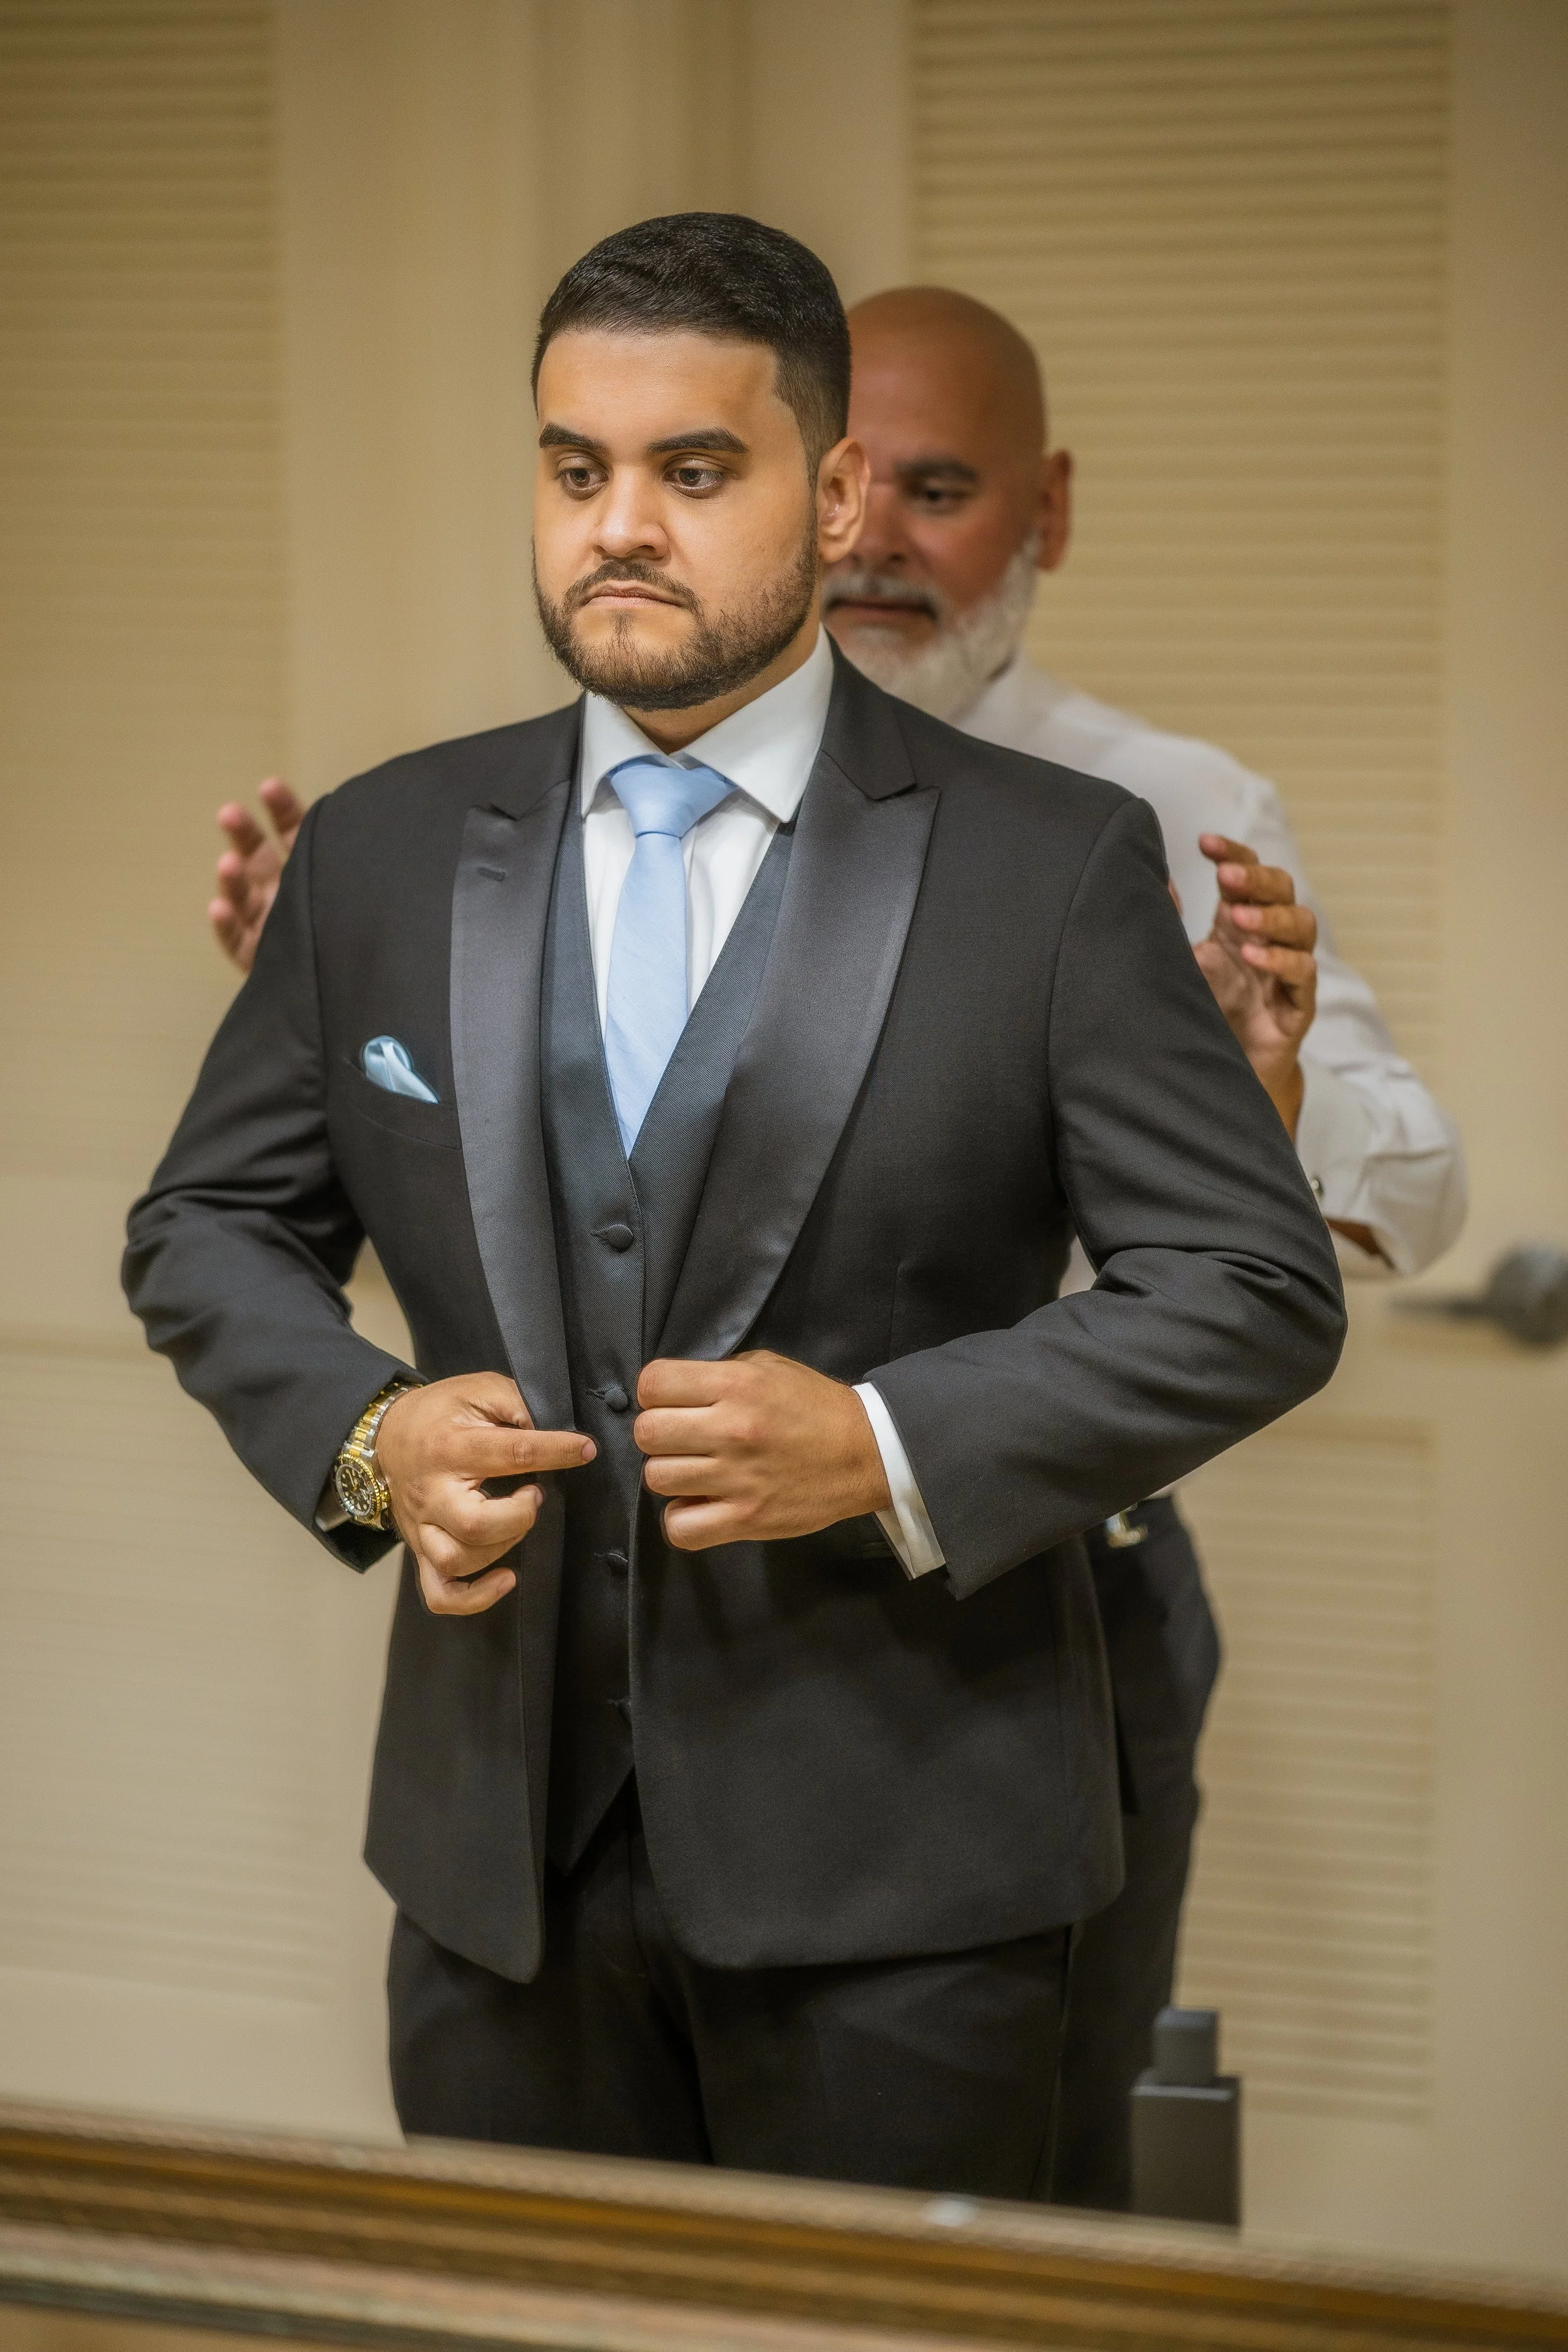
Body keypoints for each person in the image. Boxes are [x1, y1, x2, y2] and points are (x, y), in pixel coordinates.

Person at [130, 213, 1346, 2196]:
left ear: (830, 481)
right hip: (489, 1883)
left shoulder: (1048, 870)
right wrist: (366, 1435)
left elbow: (1247, 1283)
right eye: (574, 467)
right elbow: (203, 1225)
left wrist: (880, 1442)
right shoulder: (386, 848)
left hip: (910, 1890)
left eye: (695, 471)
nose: (621, 525)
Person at [819, 284, 1465, 2210]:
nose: (870, 544)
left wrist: (1246, 1094)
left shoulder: (1171, 808)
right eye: (841, 482)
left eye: (936, 491)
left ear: (1046, 513)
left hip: (1050, 1605)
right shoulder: (637, 799)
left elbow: (1413, 1187)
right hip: (698, 1607)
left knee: (1024, 2196)